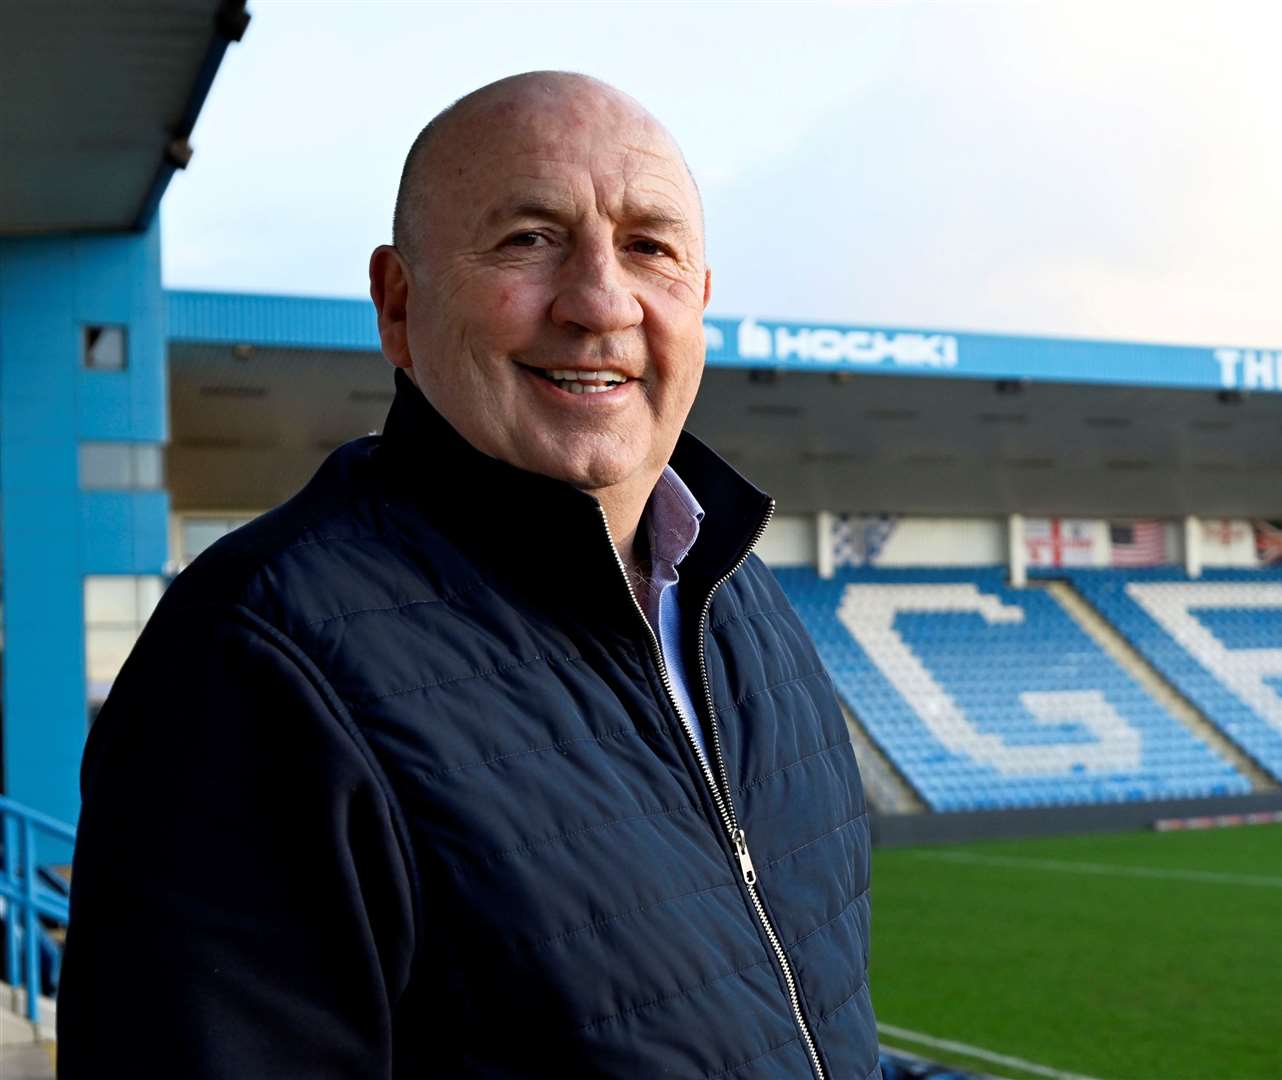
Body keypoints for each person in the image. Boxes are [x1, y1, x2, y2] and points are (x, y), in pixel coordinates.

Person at [58, 72, 879, 1078]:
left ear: (698, 301)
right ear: (398, 305)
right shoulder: (253, 661)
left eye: (649, 248)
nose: (598, 302)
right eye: (529, 238)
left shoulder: (744, 609)